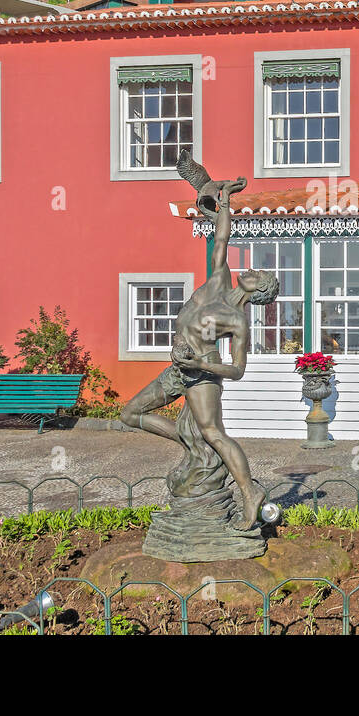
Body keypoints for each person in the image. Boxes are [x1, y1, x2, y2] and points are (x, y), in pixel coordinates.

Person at [120, 162, 278, 530]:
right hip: (179, 368)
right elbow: (221, 240)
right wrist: (223, 203)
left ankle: (248, 492)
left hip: (201, 373)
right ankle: (193, 446)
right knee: (130, 414)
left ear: (259, 291)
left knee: (213, 432)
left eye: (260, 275)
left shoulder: (237, 321)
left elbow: (237, 370)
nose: (252, 271)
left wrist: (203, 367)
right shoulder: (218, 283)